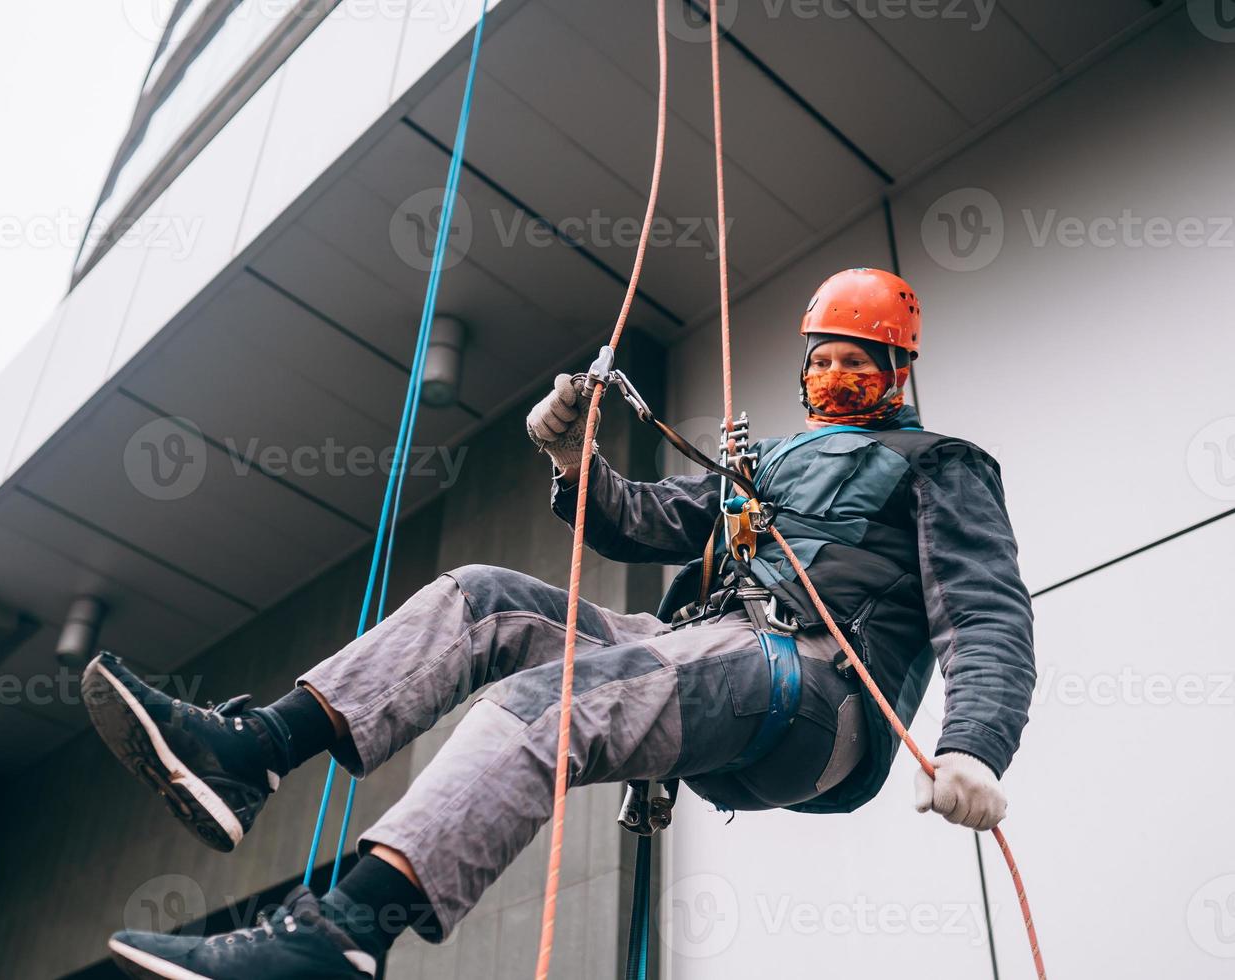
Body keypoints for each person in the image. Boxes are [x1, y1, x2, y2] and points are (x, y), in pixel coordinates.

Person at [85, 267, 1036, 980]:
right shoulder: (771, 467)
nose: (834, 387)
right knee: (482, 597)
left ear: (897, 377)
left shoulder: (940, 466)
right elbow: (644, 521)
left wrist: (976, 746)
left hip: (812, 687)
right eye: (820, 368)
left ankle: (337, 939)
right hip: (700, 652)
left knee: (555, 700)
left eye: (855, 373)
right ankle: (248, 751)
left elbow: (985, 611)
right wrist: (573, 455)